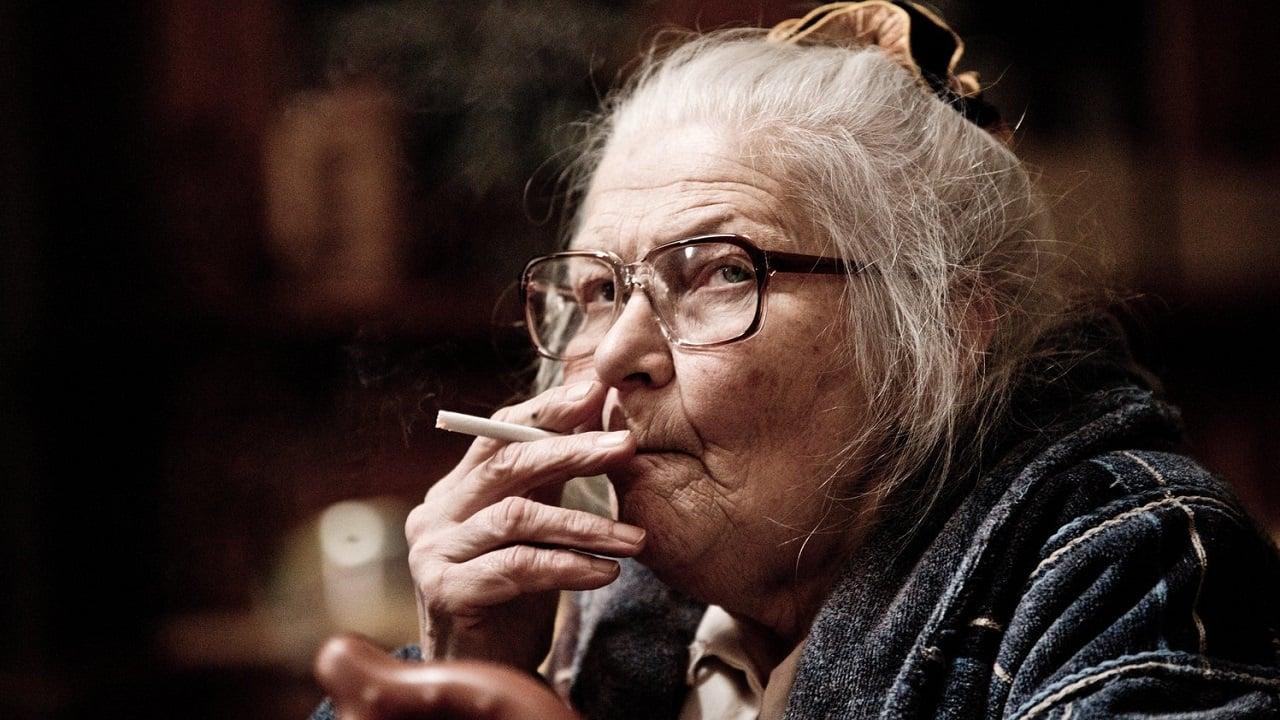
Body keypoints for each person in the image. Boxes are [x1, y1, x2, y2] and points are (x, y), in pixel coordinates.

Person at [314, 2, 1280, 718]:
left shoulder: (1129, 558)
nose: (613, 357)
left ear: (943, 331)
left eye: (720, 272)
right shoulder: (587, 605)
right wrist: (471, 669)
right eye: (599, 291)